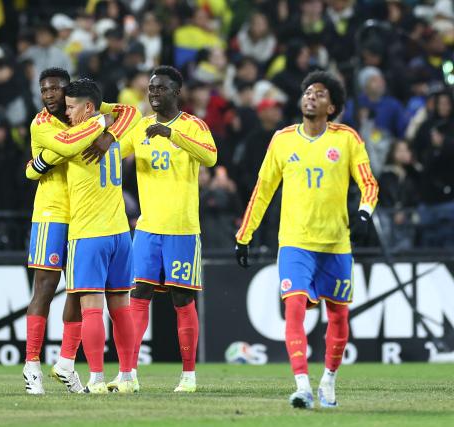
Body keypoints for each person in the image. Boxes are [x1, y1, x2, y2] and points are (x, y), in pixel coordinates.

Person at [234, 71, 379, 409]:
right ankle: (302, 385)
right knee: (295, 308)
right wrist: (244, 236)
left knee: (339, 317)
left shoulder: (347, 139)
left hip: (335, 244)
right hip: (295, 242)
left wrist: (364, 215)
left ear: (333, 107)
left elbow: (369, 183)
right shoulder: (283, 140)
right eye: (308, 91)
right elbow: (263, 190)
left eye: (320, 93)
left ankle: (328, 379)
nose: (311, 96)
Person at [23, 69, 139, 394]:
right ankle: (32, 365)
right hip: (53, 212)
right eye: (44, 89)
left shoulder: (80, 117)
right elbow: (64, 145)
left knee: (78, 295)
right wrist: (105, 126)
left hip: (84, 220)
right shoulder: (42, 123)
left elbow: (130, 111)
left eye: (55, 89)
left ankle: (67, 363)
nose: (49, 95)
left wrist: (38, 165)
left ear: (69, 93)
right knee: (45, 290)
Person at [113, 65, 217, 393]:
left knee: (182, 298)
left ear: (176, 92)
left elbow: (211, 158)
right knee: (137, 296)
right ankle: (128, 375)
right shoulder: (141, 127)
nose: (153, 93)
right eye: (151, 88)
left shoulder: (193, 126)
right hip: (147, 228)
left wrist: (172, 135)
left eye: (160, 88)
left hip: (182, 229)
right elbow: (114, 152)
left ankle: (188, 376)